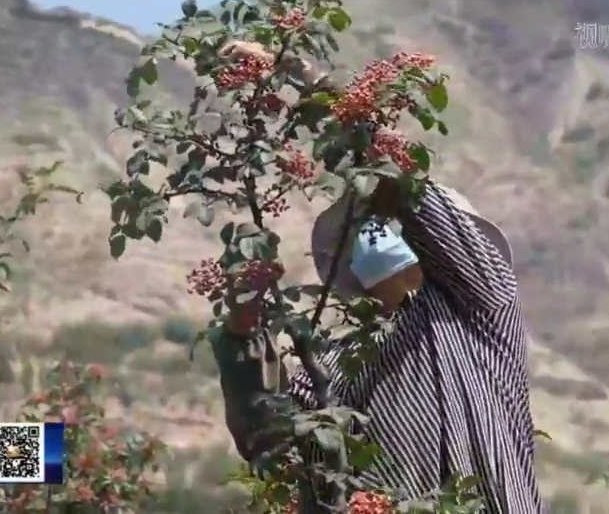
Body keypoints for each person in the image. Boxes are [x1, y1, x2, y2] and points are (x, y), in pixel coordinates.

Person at [215, 41, 542, 513]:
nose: (377, 228)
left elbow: (404, 185)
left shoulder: (482, 308)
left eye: (385, 215)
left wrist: (307, 82)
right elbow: (272, 443)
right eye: (367, 219)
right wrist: (242, 329)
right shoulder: (337, 362)